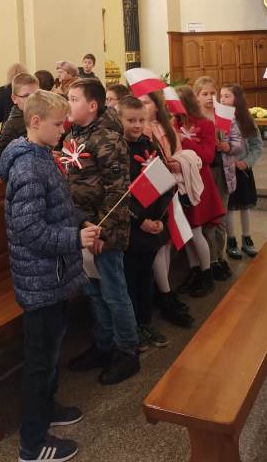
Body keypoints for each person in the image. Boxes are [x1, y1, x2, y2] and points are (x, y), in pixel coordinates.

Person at [0, 90, 100, 462]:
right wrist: (74, 239)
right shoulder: (27, 167)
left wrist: (81, 222)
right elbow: (30, 232)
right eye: (58, 124)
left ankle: (48, 407)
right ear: (35, 122)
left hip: (53, 275)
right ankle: (32, 443)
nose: (64, 130)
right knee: (39, 361)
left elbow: (59, 207)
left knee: (53, 350)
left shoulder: (43, 155)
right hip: (39, 279)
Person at [64, 78, 140, 385]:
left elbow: (118, 190)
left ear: (92, 105)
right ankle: (104, 344)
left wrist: (102, 231)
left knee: (113, 291)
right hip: (84, 226)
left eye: (74, 99)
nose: (68, 104)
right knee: (94, 291)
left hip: (104, 228)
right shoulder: (74, 133)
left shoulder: (107, 137)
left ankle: (127, 351)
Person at [139, 90, 194, 328]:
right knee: (159, 244)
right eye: (139, 103)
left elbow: (177, 153)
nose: (143, 106)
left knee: (167, 243)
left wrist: (177, 162)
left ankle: (166, 290)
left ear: (157, 105)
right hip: (153, 191)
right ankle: (165, 295)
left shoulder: (166, 127)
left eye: (146, 102)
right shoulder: (143, 129)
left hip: (168, 188)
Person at [120, 95, 170, 351]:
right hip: (131, 227)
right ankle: (133, 328)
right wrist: (140, 221)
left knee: (145, 276)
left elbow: (163, 184)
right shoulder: (117, 150)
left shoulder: (149, 146)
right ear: (119, 119)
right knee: (130, 279)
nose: (137, 125)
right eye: (131, 120)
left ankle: (146, 322)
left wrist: (159, 219)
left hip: (151, 222)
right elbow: (118, 195)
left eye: (141, 120)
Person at [174, 86, 226, 297]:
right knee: (187, 231)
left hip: (199, 183)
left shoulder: (205, 124)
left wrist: (184, 140)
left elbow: (208, 156)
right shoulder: (175, 123)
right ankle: (194, 271)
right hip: (181, 183)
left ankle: (206, 274)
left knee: (196, 230)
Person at [193, 76, 234, 281]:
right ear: (196, 96)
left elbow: (239, 141)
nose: (210, 97)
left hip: (223, 171)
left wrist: (229, 146)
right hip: (205, 172)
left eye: (212, 93)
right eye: (205, 94)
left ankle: (221, 255)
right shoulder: (194, 118)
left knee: (221, 216)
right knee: (209, 218)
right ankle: (211, 260)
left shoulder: (223, 114)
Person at [220, 83, 263, 260]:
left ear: (237, 99)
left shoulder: (246, 120)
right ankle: (231, 241)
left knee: (245, 206)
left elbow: (257, 146)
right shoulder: (218, 119)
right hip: (226, 169)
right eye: (221, 96)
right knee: (229, 207)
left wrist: (247, 162)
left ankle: (247, 238)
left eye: (227, 96)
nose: (223, 99)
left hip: (242, 170)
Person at [0, 73, 39, 155]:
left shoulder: (39, 116)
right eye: (26, 96)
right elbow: (5, 157)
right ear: (14, 99)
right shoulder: (11, 127)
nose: (33, 99)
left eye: (36, 95)